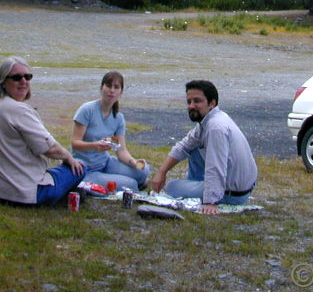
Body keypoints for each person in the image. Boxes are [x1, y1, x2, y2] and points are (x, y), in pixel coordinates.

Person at [0, 56, 85, 206]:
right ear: (4, 82)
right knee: (81, 167)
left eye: (27, 77)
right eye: (17, 77)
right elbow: (50, 148)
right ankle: (64, 195)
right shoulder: (18, 110)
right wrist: (69, 158)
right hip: (21, 192)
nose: (23, 81)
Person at [151, 80, 257, 215]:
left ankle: (204, 194)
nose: (191, 106)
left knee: (172, 187)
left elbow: (215, 166)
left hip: (232, 195)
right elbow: (183, 146)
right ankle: (199, 188)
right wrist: (161, 172)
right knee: (192, 148)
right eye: (189, 102)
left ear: (212, 103)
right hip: (237, 188)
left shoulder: (215, 127)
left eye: (197, 101)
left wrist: (210, 202)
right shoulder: (210, 120)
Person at [70, 71, 149, 191]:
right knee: (131, 184)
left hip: (105, 163)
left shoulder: (118, 118)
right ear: (101, 88)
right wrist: (94, 145)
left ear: (121, 92)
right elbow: (75, 143)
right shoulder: (87, 110)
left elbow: (121, 150)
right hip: (85, 168)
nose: (112, 90)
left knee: (144, 171)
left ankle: (109, 180)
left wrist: (133, 162)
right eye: (108, 86)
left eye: (116, 87)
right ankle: (89, 182)